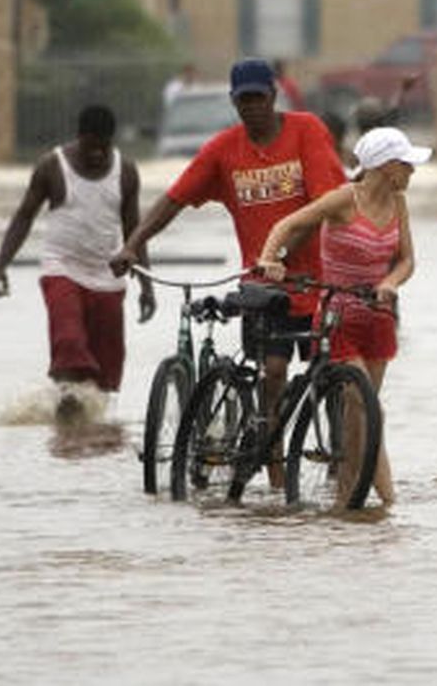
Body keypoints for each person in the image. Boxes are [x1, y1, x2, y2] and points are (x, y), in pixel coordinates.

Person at [109, 57, 347, 481]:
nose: (252, 107)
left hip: (318, 279)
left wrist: (282, 251)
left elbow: (324, 206)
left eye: (259, 97)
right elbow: (174, 200)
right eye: (244, 100)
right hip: (264, 287)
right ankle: (275, 477)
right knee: (272, 374)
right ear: (234, 103)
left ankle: (338, 466)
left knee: (331, 377)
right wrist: (132, 244)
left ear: (274, 96)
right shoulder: (223, 150)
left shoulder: (307, 130)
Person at [257, 126, 430, 506]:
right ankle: (380, 501)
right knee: (366, 409)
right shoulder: (342, 200)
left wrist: (390, 283)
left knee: (363, 418)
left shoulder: (398, 203)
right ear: (385, 166)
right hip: (338, 317)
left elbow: (407, 260)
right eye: (407, 165)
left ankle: (358, 500)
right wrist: (269, 259)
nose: (412, 172)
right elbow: (287, 225)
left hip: (379, 317)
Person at [0, 105, 155, 418]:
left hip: (108, 278)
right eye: (91, 147)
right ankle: (65, 418)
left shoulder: (126, 171)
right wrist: (0, 267)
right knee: (69, 341)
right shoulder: (52, 166)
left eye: (103, 147)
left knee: (106, 368)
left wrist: (147, 284)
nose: (97, 155)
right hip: (61, 268)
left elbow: (134, 230)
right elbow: (24, 216)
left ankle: (91, 432)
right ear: (79, 138)